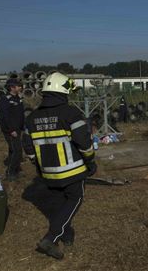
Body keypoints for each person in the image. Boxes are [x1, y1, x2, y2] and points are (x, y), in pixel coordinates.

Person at [24, 72, 97, 260]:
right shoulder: (70, 113)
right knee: (75, 198)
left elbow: (28, 148)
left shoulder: (32, 118)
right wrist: (90, 160)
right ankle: (51, 238)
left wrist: (39, 166)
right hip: (72, 171)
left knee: (60, 203)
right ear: (63, 91)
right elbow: (83, 142)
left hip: (48, 173)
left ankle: (67, 235)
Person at [0, 78, 25, 181]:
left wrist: (23, 126)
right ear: (12, 87)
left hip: (17, 129)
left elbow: (20, 114)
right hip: (10, 130)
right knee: (17, 151)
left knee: (12, 150)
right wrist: (11, 130)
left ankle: (16, 169)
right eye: (18, 86)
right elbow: (5, 117)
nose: (21, 87)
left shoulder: (18, 98)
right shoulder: (5, 99)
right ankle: (11, 172)